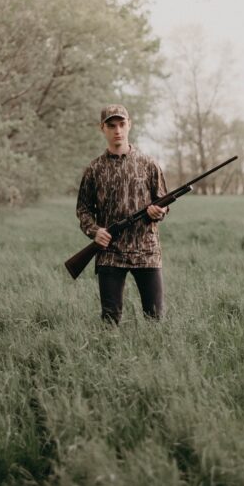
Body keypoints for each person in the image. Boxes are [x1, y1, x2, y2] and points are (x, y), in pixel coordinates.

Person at [75, 104, 170, 324]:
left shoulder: (149, 164)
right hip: (110, 252)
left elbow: (164, 201)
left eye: (121, 124)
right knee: (110, 320)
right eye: (111, 125)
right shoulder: (94, 169)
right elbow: (83, 210)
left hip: (147, 250)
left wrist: (159, 211)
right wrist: (95, 231)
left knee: (155, 318)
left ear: (129, 125)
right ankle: (110, 354)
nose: (117, 130)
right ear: (103, 129)